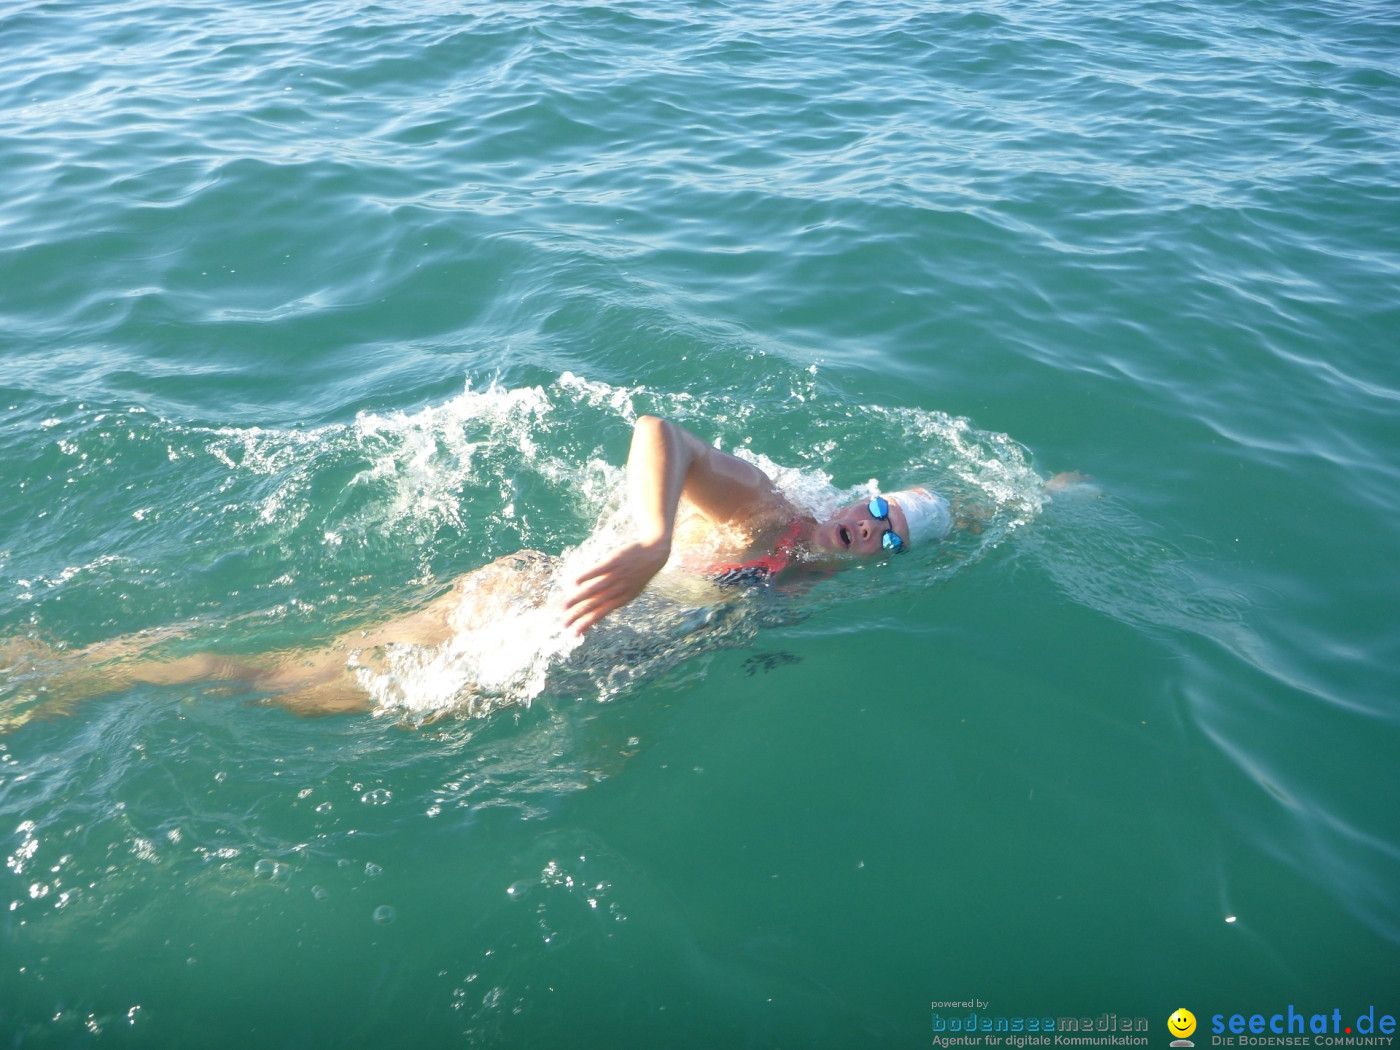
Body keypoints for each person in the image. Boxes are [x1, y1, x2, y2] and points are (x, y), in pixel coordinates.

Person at [0, 415, 963, 727]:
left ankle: (65, 672)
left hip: (563, 634)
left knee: (290, 675)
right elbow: (659, 434)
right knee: (285, 686)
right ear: (852, 497)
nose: (872, 532)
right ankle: (67, 678)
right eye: (877, 510)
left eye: (893, 538)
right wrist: (651, 538)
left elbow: (993, 505)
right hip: (531, 612)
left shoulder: (807, 584)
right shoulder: (771, 514)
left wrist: (1058, 486)